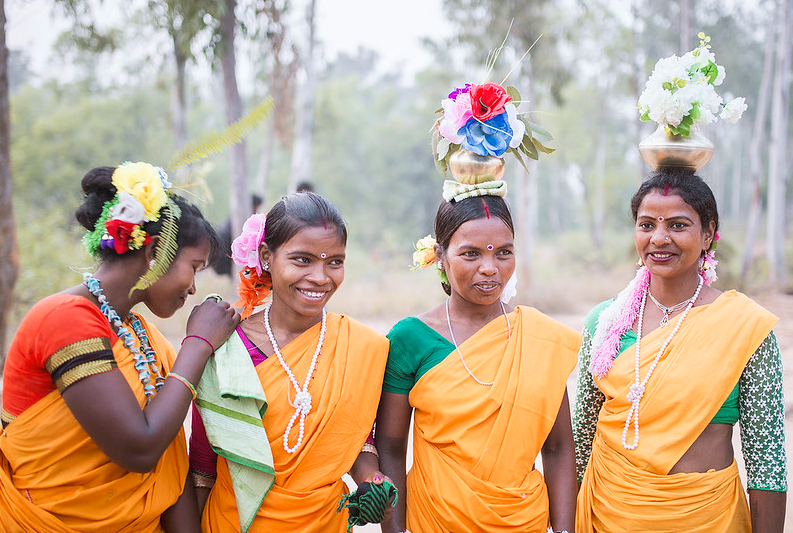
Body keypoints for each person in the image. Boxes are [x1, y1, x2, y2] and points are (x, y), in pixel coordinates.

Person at [0, 162, 240, 532]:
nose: (193, 287)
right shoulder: (64, 319)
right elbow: (140, 449)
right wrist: (199, 343)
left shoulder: (140, 334)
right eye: (194, 266)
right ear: (155, 251)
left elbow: (168, 473)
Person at [573, 169, 787, 532]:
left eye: (677, 225)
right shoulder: (605, 323)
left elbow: (766, 458)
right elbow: (581, 441)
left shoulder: (743, 326)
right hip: (608, 514)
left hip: (707, 518)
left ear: (708, 234)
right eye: (646, 225)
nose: (659, 238)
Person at [376, 186, 580, 532]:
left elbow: (559, 448)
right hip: (435, 521)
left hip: (521, 521)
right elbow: (391, 448)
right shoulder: (410, 339)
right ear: (440, 256)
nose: (490, 268)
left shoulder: (538, 337)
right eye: (471, 254)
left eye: (503, 253)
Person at [190, 191, 392, 532]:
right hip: (231, 524)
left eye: (335, 261)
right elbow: (202, 464)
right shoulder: (228, 345)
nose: (320, 277)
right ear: (267, 256)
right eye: (302, 260)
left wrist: (371, 480)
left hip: (325, 523)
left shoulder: (362, 348)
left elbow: (360, 440)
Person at [212, 194, 262, 277]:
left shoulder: (237, 214)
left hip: (220, 250)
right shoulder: (248, 216)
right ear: (255, 205)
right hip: (225, 250)